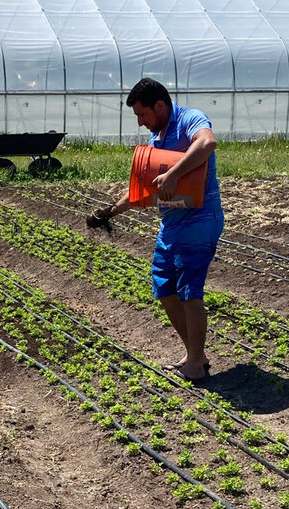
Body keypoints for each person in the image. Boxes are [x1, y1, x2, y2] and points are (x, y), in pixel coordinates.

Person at [87, 77, 224, 381]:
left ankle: (195, 364)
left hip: (200, 219)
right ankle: (195, 356)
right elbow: (145, 191)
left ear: (159, 106)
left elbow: (207, 142)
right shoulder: (156, 141)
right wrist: (111, 211)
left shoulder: (190, 119)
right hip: (172, 224)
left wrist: (175, 173)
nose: (140, 122)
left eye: (142, 114)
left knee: (189, 292)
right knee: (164, 288)